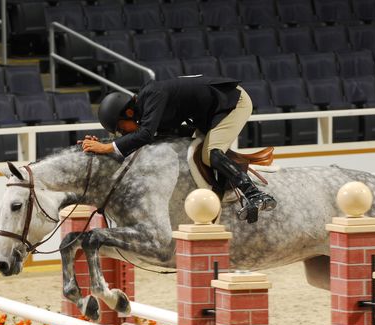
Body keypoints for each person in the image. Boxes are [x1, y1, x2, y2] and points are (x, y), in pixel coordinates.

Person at [80, 75, 276, 223]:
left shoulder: (152, 95)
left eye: (121, 129)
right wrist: (101, 146)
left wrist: (107, 147)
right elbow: (152, 137)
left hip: (233, 104)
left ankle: (256, 194)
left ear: (129, 112)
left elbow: (145, 135)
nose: (123, 134)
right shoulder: (146, 103)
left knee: (210, 154)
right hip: (210, 114)